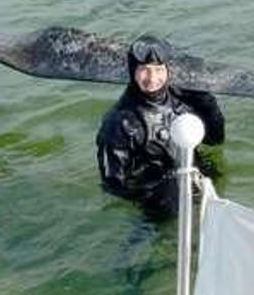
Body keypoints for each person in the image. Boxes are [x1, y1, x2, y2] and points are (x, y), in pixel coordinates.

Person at [96, 35, 225, 216]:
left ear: (168, 70)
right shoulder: (120, 123)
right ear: (132, 70)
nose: (152, 78)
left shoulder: (184, 99)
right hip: (159, 201)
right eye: (144, 70)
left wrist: (208, 105)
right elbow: (113, 183)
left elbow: (215, 140)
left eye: (158, 69)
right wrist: (156, 194)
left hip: (198, 178)